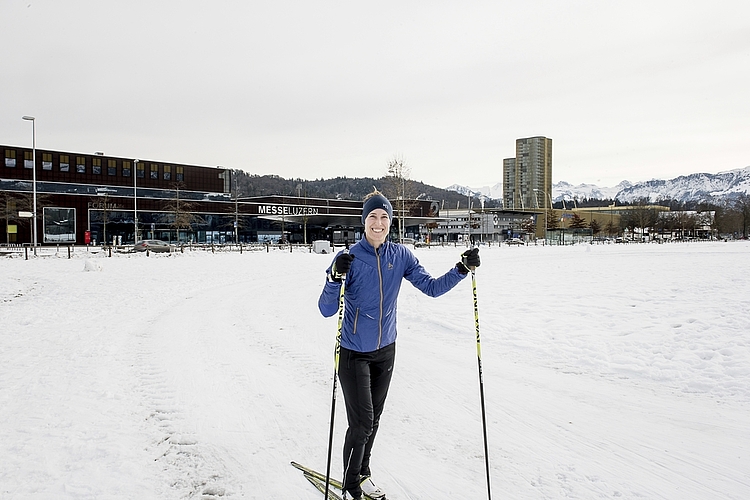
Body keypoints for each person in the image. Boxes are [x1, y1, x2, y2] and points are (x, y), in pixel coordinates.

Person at [318, 190, 480, 500]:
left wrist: (461, 269)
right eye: (372, 217)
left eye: (384, 218)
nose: (378, 223)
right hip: (354, 353)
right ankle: (352, 484)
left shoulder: (401, 256)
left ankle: (362, 474)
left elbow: (431, 288)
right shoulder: (349, 258)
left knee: (373, 420)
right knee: (362, 422)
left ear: (391, 222)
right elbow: (326, 309)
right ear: (363, 221)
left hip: (385, 350)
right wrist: (334, 277)